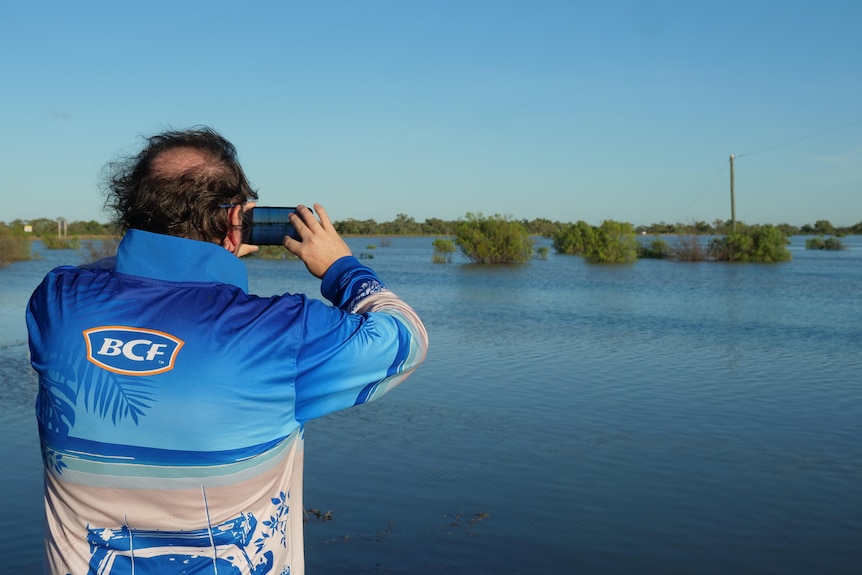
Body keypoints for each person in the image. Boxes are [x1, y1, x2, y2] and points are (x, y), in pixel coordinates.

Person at [26, 127, 428, 575]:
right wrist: (341, 267)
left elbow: (111, 280)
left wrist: (201, 254)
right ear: (235, 220)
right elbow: (404, 337)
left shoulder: (58, 303)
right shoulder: (282, 333)